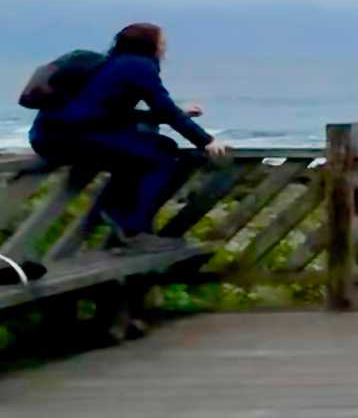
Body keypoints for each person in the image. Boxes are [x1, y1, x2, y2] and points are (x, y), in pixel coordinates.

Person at [28, 23, 231, 253]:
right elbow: (164, 109)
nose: (165, 47)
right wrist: (207, 141)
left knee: (153, 149)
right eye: (162, 42)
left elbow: (110, 112)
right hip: (71, 138)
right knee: (161, 158)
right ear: (149, 45)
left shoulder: (112, 64)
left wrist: (177, 114)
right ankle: (133, 231)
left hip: (48, 135)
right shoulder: (139, 66)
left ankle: (117, 215)